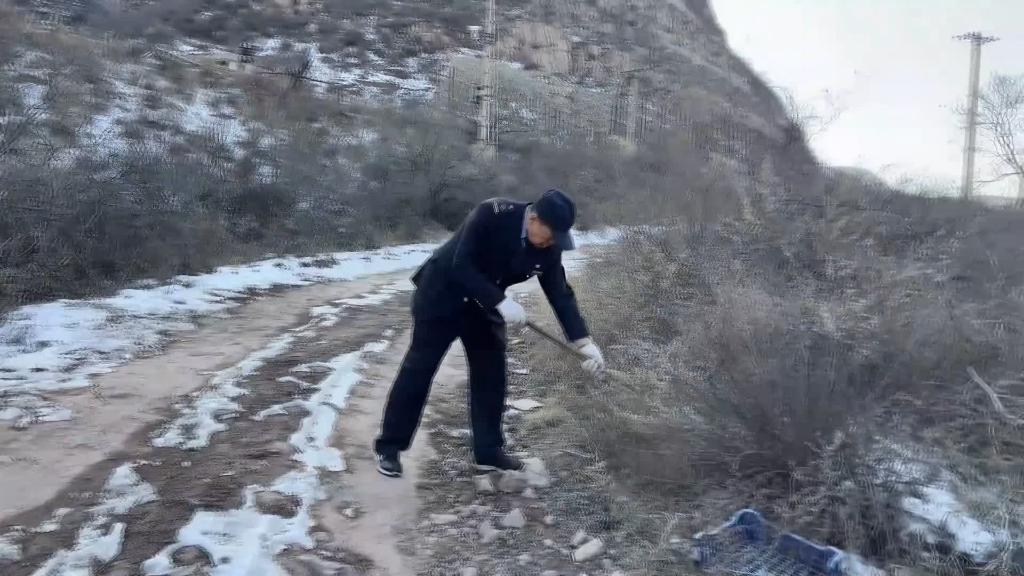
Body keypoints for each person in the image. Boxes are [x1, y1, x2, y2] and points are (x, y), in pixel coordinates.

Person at [373, 189, 605, 478]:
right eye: (549, 235)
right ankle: (390, 447)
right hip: (441, 295)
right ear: (533, 218)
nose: (550, 243)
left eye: (556, 239)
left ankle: (489, 452)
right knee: (419, 369)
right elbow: (461, 264)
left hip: (482, 307)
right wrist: (501, 301)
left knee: (491, 374)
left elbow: (560, 293)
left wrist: (584, 343)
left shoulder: (549, 246)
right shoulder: (492, 213)